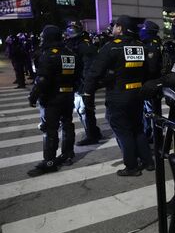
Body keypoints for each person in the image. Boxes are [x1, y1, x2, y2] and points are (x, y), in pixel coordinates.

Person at [83, 15, 154, 176]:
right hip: (137, 94)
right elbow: (146, 71)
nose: (113, 28)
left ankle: (131, 167)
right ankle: (148, 161)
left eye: (115, 26)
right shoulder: (140, 46)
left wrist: (88, 93)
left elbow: (94, 72)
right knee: (137, 129)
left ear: (120, 28)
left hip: (118, 95)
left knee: (124, 131)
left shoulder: (111, 47)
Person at [27, 25, 77, 176]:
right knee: (68, 124)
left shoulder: (48, 55)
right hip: (68, 96)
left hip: (52, 97)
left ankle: (49, 162)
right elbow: (77, 74)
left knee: (51, 129)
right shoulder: (70, 53)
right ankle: (68, 154)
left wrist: (33, 96)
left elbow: (43, 80)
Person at [65, 21, 103, 146]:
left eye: (73, 28)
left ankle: (91, 135)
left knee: (85, 110)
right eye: (69, 27)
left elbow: (89, 67)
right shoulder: (73, 42)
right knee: (84, 110)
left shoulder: (85, 45)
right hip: (78, 81)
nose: (71, 30)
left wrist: (85, 85)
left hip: (84, 82)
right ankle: (94, 132)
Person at [138, 20, 163, 141]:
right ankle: (151, 133)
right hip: (152, 82)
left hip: (151, 83)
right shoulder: (151, 42)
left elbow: (152, 68)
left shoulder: (152, 45)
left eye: (143, 29)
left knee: (151, 110)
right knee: (149, 110)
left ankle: (155, 135)